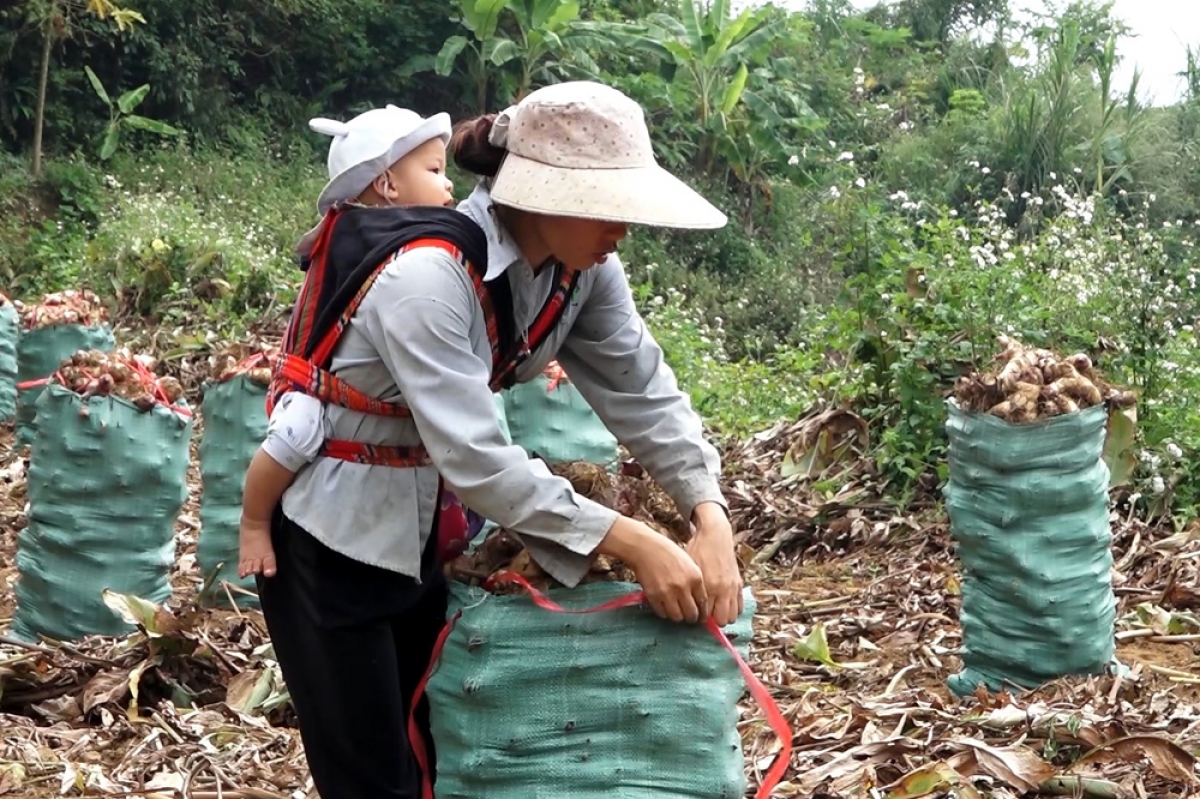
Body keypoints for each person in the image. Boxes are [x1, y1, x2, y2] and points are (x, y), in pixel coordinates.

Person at [254, 81, 744, 799]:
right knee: (370, 775)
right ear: (547, 194)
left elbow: (642, 389)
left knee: (434, 755)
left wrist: (709, 512)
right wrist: (636, 542)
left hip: (424, 528)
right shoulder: (427, 278)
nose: (624, 230)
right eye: (611, 206)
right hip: (331, 535)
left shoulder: (584, 276)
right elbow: (479, 460)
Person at [237, 104, 458, 580]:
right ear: (388, 185)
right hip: (326, 402)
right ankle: (254, 521)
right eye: (435, 170)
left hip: (397, 496)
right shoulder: (376, 253)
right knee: (294, 435)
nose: (449, 184)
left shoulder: (411, 249)